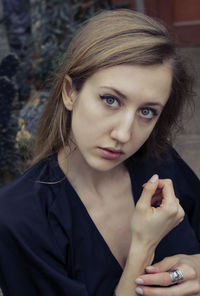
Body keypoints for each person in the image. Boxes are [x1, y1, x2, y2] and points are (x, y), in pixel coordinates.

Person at [0, 8, 199, 296]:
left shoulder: (161, 162)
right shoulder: (18, 218)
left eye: (147, 111)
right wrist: (143, 246)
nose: (123, 134)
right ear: (70, 92)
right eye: (110, 100)